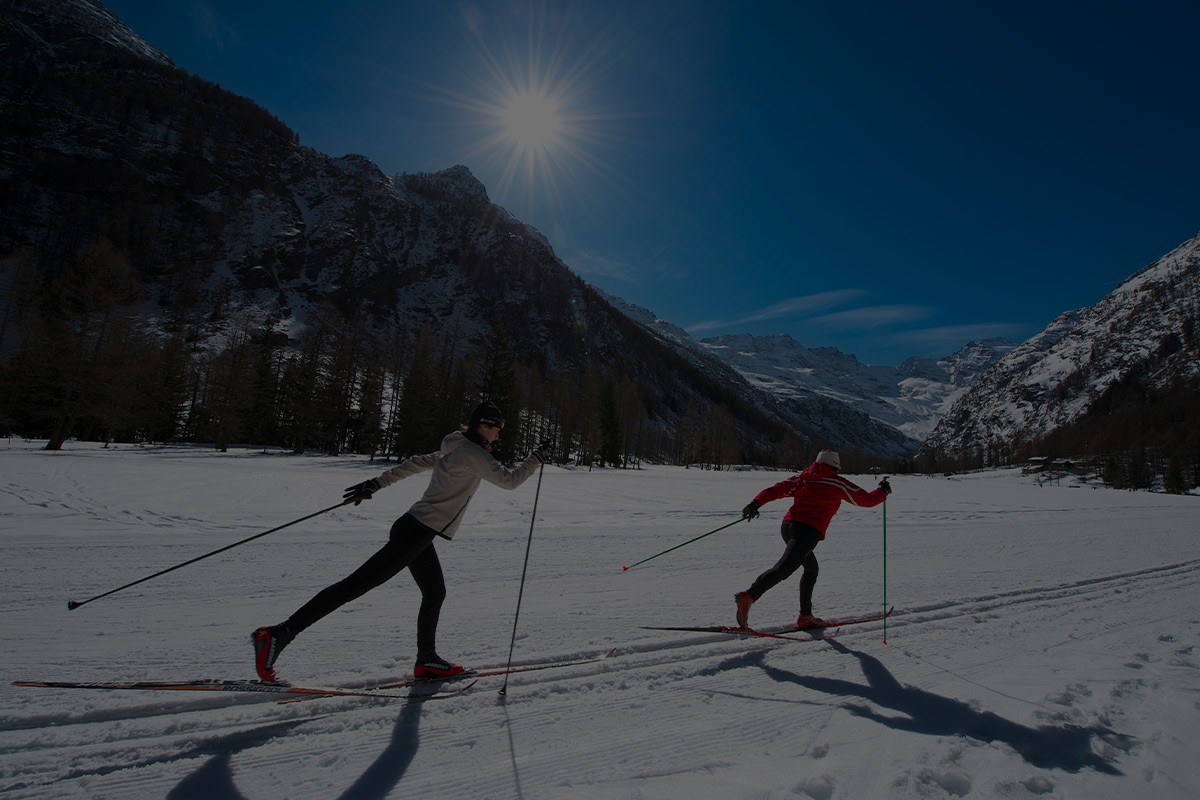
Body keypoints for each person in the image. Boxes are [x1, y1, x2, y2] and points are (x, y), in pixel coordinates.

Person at [251, 401, 549, 682]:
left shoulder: (455, 446)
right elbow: (510, 481)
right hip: (416, 533)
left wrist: (377, 483)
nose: (499, 433)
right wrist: (534, 458)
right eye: (497, 427)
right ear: (484, 426)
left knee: (435, 592)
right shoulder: (473, 454)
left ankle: (427, 660)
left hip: (416, 530)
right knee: (354, 586)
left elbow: (416, 463)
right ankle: (278, 634)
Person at [734, 449, 890, 629]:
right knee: (784, 568)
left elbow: (776, 490)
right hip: (807, 532)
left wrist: (755, 503)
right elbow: (867, 501)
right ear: (835, 467)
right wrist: (882, 492)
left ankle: (805, 616)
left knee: (811, 569)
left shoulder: (803, 478)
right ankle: (749, 596)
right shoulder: (837, 483)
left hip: (788, 527)